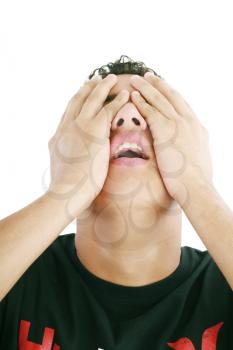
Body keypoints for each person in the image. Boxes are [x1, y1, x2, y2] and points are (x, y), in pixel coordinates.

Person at [0, 55, 232, 349]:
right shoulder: (17, 275)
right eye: (105, 111)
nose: (127, 117)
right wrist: (66, 189)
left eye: (150, 112)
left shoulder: (223, 284)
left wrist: (197, 186)